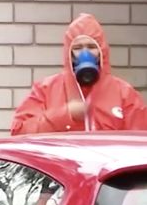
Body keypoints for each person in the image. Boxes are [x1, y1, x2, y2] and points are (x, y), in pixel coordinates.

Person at [11, 13, 147, 135]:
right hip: (61, 162)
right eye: (77, 48)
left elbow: (139, 143)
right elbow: (19, 132)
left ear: (102, 51)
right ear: (69, 53)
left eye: (92, 47)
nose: (85, 54)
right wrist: (65, 115)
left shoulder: (123, 93)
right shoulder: (46, 89)